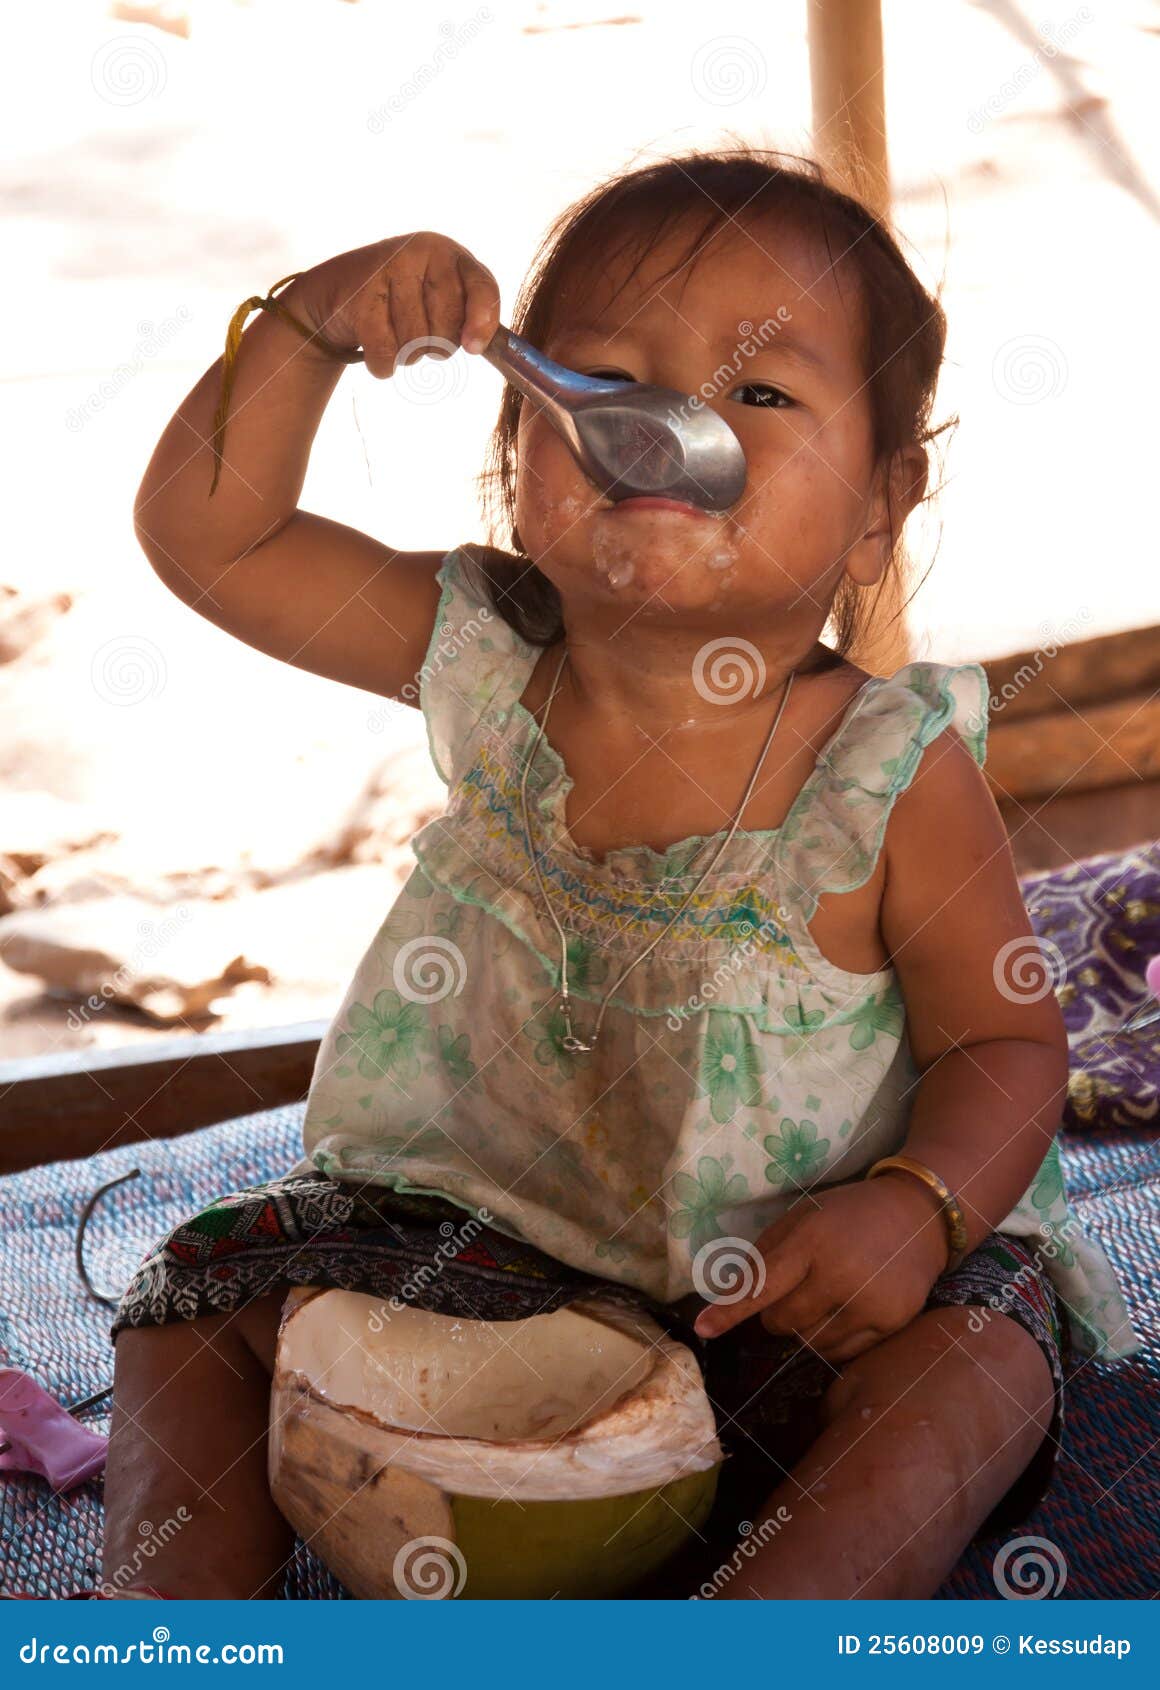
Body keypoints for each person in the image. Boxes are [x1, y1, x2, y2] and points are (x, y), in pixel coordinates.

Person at [102, 148, 1138, 1601]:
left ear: (881, 502)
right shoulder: (482, 651)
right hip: (476, 1265)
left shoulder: (889, 772)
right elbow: (215, 537)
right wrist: (315, 325)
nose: (674, 424)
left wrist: (918, 1206)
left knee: (978, 1364)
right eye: (605, 382)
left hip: (789, 1302)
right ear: (519, 465)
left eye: (760, 394)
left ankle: (764, 1627)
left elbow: (1009, 1041)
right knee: (192, 1305)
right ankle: (170, 1621)